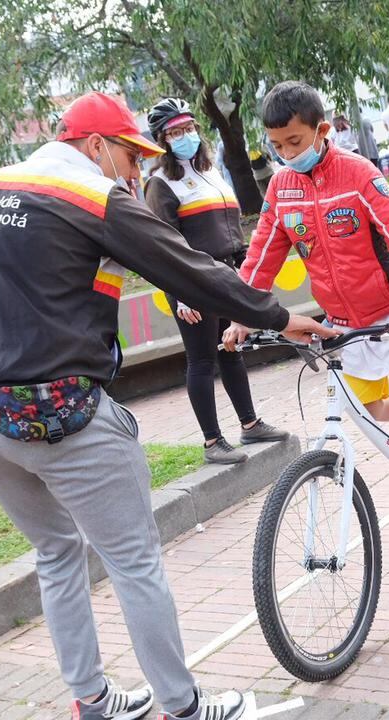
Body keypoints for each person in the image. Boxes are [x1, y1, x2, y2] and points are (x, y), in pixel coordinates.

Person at [0, 91, 334, 720]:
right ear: (94, 146)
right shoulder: (91, 195)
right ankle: (185, 707)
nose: (136, 171)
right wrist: (276, 315)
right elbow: (187, 267)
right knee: (133, 559)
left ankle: (91, 700)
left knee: (56, 551)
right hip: (59, 409)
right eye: (129, 155)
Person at [224, 80, 389, 543]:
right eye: (277, 145)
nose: (286, 153)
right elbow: (262, 255)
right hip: (343, 326)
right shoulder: (283, 189)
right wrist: (242, 313)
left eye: (296, 142)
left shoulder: (357, 173)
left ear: (321, 130)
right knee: (373, 410)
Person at [142, 98, 291, 464]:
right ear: (162, 139)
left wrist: (245, 272)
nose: (185, 136)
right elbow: (161, 246)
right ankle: (212, 442)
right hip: (192, 282)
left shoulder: (211, 172)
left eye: (188, 128)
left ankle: (250, 423)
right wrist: (179, 294)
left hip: (226, 276)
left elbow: (230, 229)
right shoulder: (160, 184)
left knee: (231, 350)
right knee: (201, 360)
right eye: (175, 132)